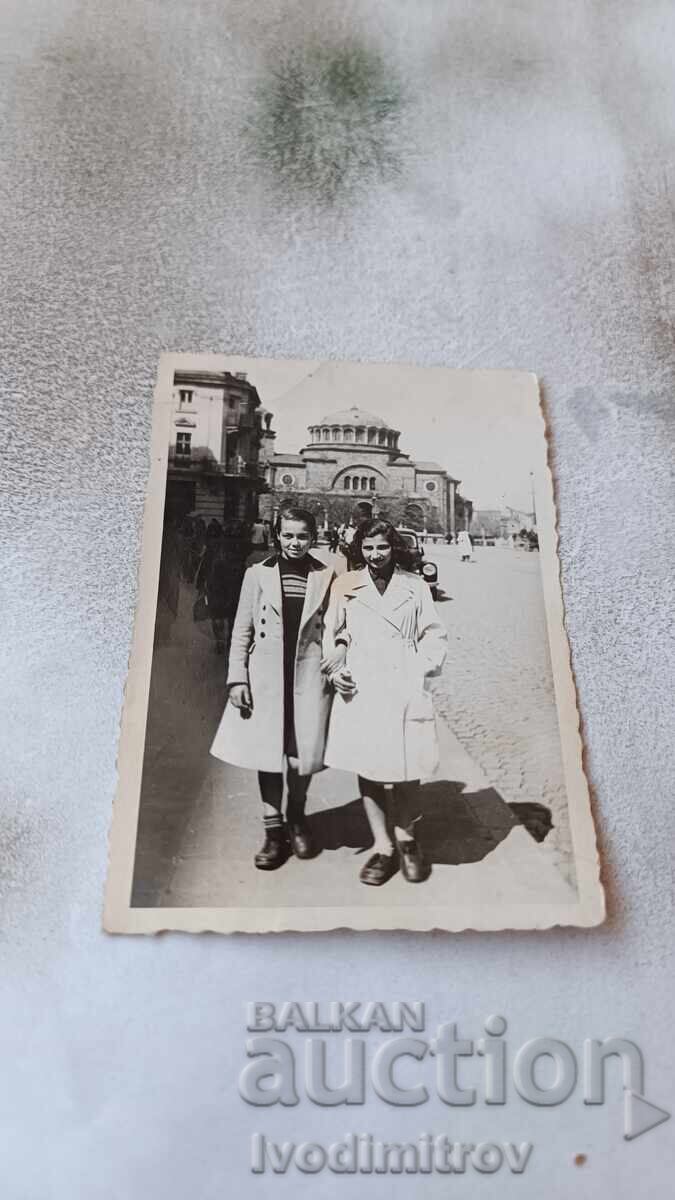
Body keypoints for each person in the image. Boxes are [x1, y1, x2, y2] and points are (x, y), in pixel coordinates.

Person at [210, 506, 337, 870]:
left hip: (308, 674)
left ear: (313, 537)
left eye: (302, 536)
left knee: (301, 754)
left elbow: (334, 627)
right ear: (277, 536)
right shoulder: (257, 574)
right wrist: (237, 677)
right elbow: (241, 629)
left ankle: (297, 817)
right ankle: (273, 831)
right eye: (288, 535)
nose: (295, 543)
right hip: (266, 674)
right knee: (268, 754)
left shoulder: (326, 575)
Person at [323, 519, 447, 887]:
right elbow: (334, 630)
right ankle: (383, 847)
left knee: (408, 768)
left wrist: (419, 667)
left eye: (382, 547)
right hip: (363, 685)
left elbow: (434, 633)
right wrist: (336, 668)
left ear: (394, 548)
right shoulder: (345, 585)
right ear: (358, 549)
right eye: (368, 548)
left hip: (403, 682)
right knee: (371, 768)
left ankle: (407, 840)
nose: (375, 555)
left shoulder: (415, 585)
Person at [195, 520, 245, 654]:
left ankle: (220, 641)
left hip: (216, 584)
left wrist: (200, 582)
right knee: (232, 616)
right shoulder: (242, 547)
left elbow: (205, 564)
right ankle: (229, 641)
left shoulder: (214, 545)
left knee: (217, 615)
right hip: (235, 586)